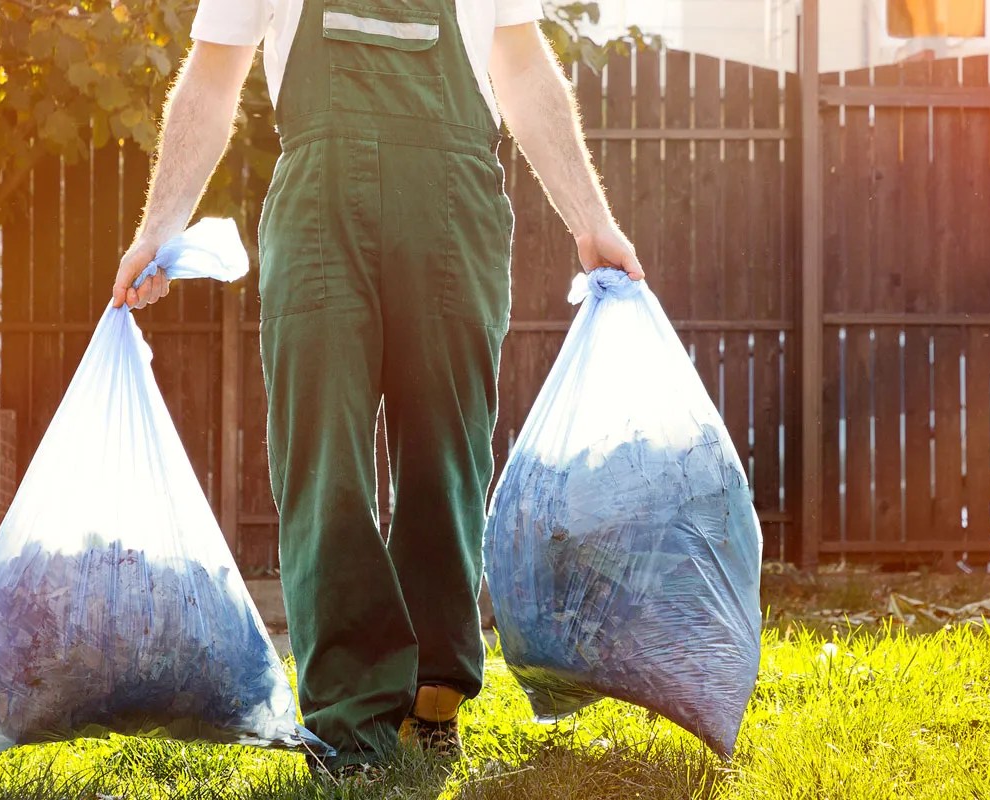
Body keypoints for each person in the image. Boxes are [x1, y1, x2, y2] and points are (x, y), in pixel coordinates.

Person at [111, 0, 644, 779]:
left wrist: (590, 220)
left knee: (448, 455)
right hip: (319, 204)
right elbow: (213, 74)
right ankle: (350, 721)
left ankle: (433, 697)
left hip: (454, 203)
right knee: (323, 461)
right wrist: (158, 227)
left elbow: (524, 66)